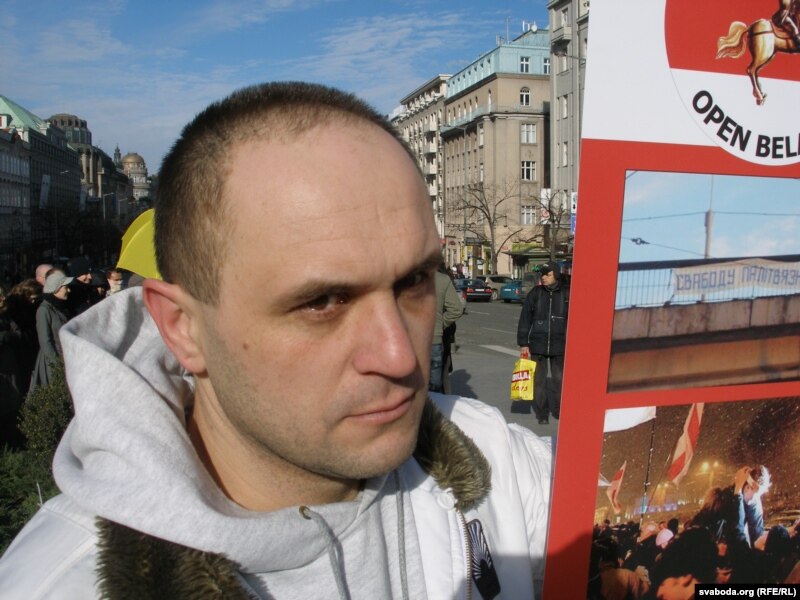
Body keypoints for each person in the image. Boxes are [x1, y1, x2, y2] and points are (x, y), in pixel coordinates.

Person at [0, 82, 552, 599]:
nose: (399, 355)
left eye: (414, 281)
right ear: (183, 327)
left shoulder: (499, 463)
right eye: (322, 302)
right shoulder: (60, 584)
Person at [516, 262, 569, 424]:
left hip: (560, 344)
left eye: (548, 274)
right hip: (538, 344)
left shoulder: (566, 293)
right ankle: (542, 413)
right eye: (542, 274)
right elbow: (525, 319)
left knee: (559, 380)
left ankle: (560, 410)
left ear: (556, 275)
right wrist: (523, 343)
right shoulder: (536, 293)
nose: (544, 277)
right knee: (539, 381)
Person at [28, 272, 72, 392]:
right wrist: (56, 364)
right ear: (55, 288)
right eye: (65, 287)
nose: (69, 290)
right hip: (52, 362)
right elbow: (45, 341)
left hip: (64, 358)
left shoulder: (60, 308)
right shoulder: (44, 310)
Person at [429, 267, 464, 394]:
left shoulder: (403, 277)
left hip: (409, 340)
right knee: (434, 389)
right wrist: (440, 324)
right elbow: (456, 310)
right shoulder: (442, 279)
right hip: (435, 338)